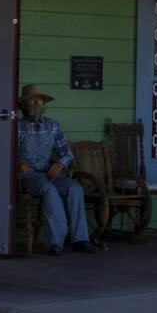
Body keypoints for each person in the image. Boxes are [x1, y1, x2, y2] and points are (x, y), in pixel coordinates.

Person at [17, 83, 98, 254]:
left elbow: (67, 153)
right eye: (31, 101)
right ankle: (55, 244)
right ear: (22, 106)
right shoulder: (17, 127)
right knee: (50, 191)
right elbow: (6, 153)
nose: (37, 104)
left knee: (75, 189)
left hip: (49, 172)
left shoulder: (53, 125)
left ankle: (80, 239)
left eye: (39, 101)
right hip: (29, 176)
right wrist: (17, 163)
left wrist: (60, 164)